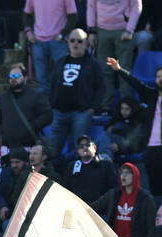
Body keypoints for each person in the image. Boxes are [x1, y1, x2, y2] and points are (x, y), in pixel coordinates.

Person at [106, 57, 162, 197]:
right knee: (154, 188)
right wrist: (119, 70)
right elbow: (136, 84)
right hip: (152, 148)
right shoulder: (152, 96)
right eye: (158, 76)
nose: (160, 79)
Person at [48, 29, 103, 161]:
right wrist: (52, 104)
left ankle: (76, 178)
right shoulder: (60, 62)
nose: (75, 43)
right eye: (72, 40)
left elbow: (101, 87)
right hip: (59, 112)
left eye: (80, 41)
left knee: (79, 151)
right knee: (52, 150)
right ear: (68, 42)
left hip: (81, 113)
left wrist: (92, 109)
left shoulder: (93, 64)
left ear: (86, 43)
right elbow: (52, 84)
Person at [91, 162, 156, 237]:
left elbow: (150, 228)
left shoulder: (146, 199)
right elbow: (92, 208)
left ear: (135, 176)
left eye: (127, 173)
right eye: (121, 173)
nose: (123, 176)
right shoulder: (113, 194)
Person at [87, 0, 141, 112]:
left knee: (124, 71)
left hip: (123, 30)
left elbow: (137, 6)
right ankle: (105, 107)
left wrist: (129, 30)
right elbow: (91, 6)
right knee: (104, 70)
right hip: (102, 30)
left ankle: (127, 108)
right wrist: (91, 31)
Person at [0, 63, 53, 154]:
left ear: (25, 78)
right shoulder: (3, 98)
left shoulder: (36, 96)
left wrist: (32, 125)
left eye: (16, 76)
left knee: (32, 169)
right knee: (6, 168)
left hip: (29, 147)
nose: (13, 79)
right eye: (11, 76)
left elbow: (48, 115)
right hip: (7, 147)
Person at [23, 0, 77, 97]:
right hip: (38, 42)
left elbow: (73, 16)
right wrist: (28, 32)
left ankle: (62, 108)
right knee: (41, 82)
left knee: (63, 79)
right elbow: (26, 14)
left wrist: (62, 34)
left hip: (58, 42)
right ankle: (44, 110)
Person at [62, 136, 117, 204]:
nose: (85, 148)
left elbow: (113, 190)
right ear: (78, 151)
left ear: (95, 148)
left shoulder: (106, 165)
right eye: (81, 146)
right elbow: (66, 189)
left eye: (88, 145)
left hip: (99, 210)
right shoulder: (72, 166)